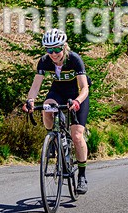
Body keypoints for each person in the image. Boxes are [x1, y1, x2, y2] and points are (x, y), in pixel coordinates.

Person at [23, 28, 90, 194]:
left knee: (76, 136)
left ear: (64, 46)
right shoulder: (44, 61)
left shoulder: (74, 59)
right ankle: (52, 139)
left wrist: (76, 102)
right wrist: (30, 101)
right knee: (46, 107)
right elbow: (35, 86)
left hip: (76, 95)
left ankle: (81, 175)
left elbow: (84, 88)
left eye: (57, 49)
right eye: (49, 50)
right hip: (58, 93)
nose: (53, 53)